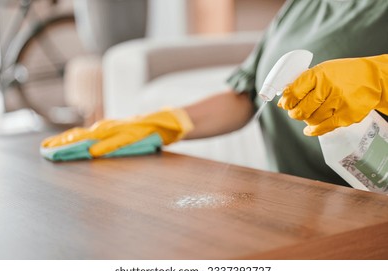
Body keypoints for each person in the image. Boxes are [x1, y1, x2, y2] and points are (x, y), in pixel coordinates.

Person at [41, 0, 388, 187]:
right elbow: (246, 94)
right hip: (302, 202)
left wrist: (379, 79)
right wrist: (161, 124)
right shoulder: (304, 5)